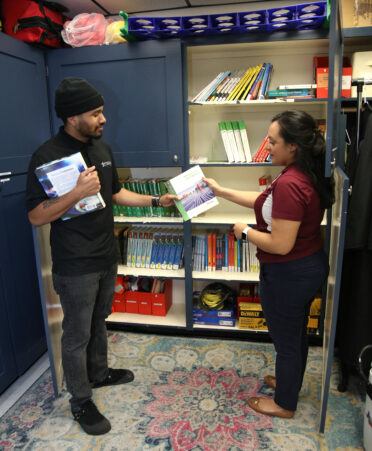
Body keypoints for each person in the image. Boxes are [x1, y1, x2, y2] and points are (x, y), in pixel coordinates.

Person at [26, 77, 178, 435]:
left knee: (100, 321)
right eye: (95, 113)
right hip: (75, 265)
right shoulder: (46, 156)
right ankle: (80, 399)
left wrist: (157, 201)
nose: (103, 119)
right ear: (72, 116)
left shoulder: (102, 149)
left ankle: (99, 373)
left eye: (102, 112)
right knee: (76, 333)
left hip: (106, 256)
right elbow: (36, 216)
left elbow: (116, 194)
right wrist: (76, 192)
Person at [204, 110, 334, 418]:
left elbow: (280, 244)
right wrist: (221, 191)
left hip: (290, 272)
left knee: (287, 341)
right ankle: (291, 382)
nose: (267, 145)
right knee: (295, 334)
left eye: (273, 141)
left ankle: (284, 403)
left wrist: (245, 231)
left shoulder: (291, 183)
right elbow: (265, 201)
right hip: (305, 266)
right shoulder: (300, 174)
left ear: (293, 146)